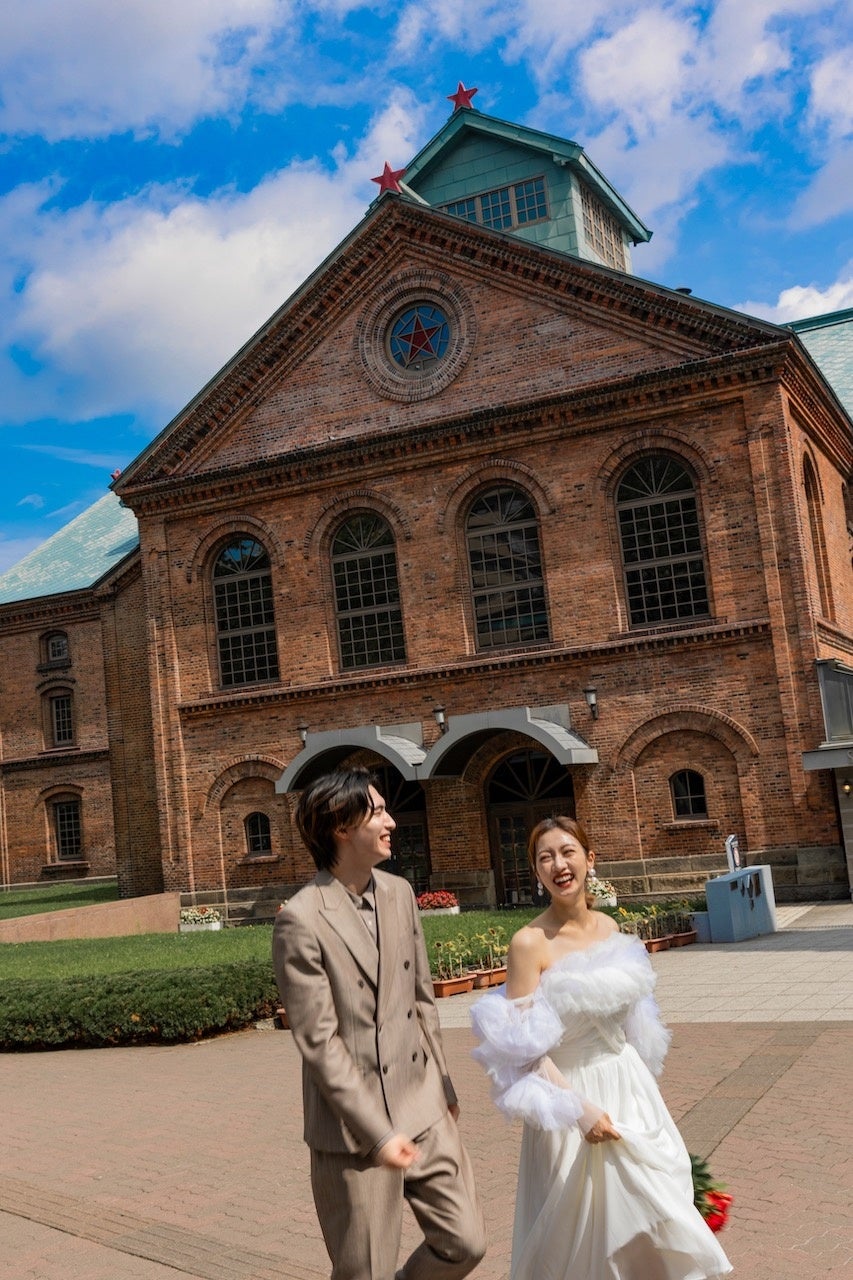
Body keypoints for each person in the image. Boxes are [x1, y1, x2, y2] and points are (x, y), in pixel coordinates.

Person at [471, 816, 733, 1280]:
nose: (558, 865)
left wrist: (641, 1081)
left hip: (629, 1088)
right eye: (545, 857)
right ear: (535, 870)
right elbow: (521, 1050)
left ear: (589, 859)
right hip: (569, 1100)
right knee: (579, 1239)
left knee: (653, 1224)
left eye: (567, 852)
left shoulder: (611, 927)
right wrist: (579, 1111)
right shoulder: (528, 943)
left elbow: (634, 1018)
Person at [273, 767, 486, 1280]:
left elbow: (422, 1000)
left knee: (465, 1243)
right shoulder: (301, 919)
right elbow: (320, 1044)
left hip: (424, 1104)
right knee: (364, 1271)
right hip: (353, 1129)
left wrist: (444, 1084)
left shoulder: (400, 892)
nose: (391, 822)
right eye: (378, 812)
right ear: (341, 826)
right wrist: (379, 1134)